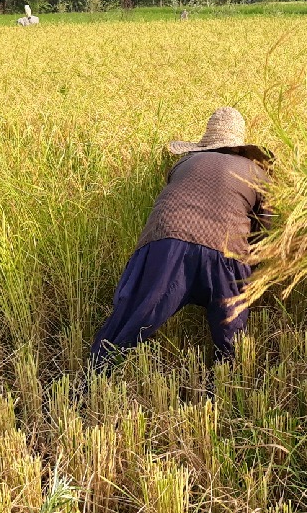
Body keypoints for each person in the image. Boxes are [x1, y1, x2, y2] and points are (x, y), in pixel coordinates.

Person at [89, 107, 271, 370]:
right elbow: (263, 232)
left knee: (131, 320)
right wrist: (248, 275)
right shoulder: (257, 173)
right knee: (231, 333)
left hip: (165, 245)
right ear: (241, 148)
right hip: (225, 251)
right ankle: (226, 390)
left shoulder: (184, 165)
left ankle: (94, 376)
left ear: (205, 145)